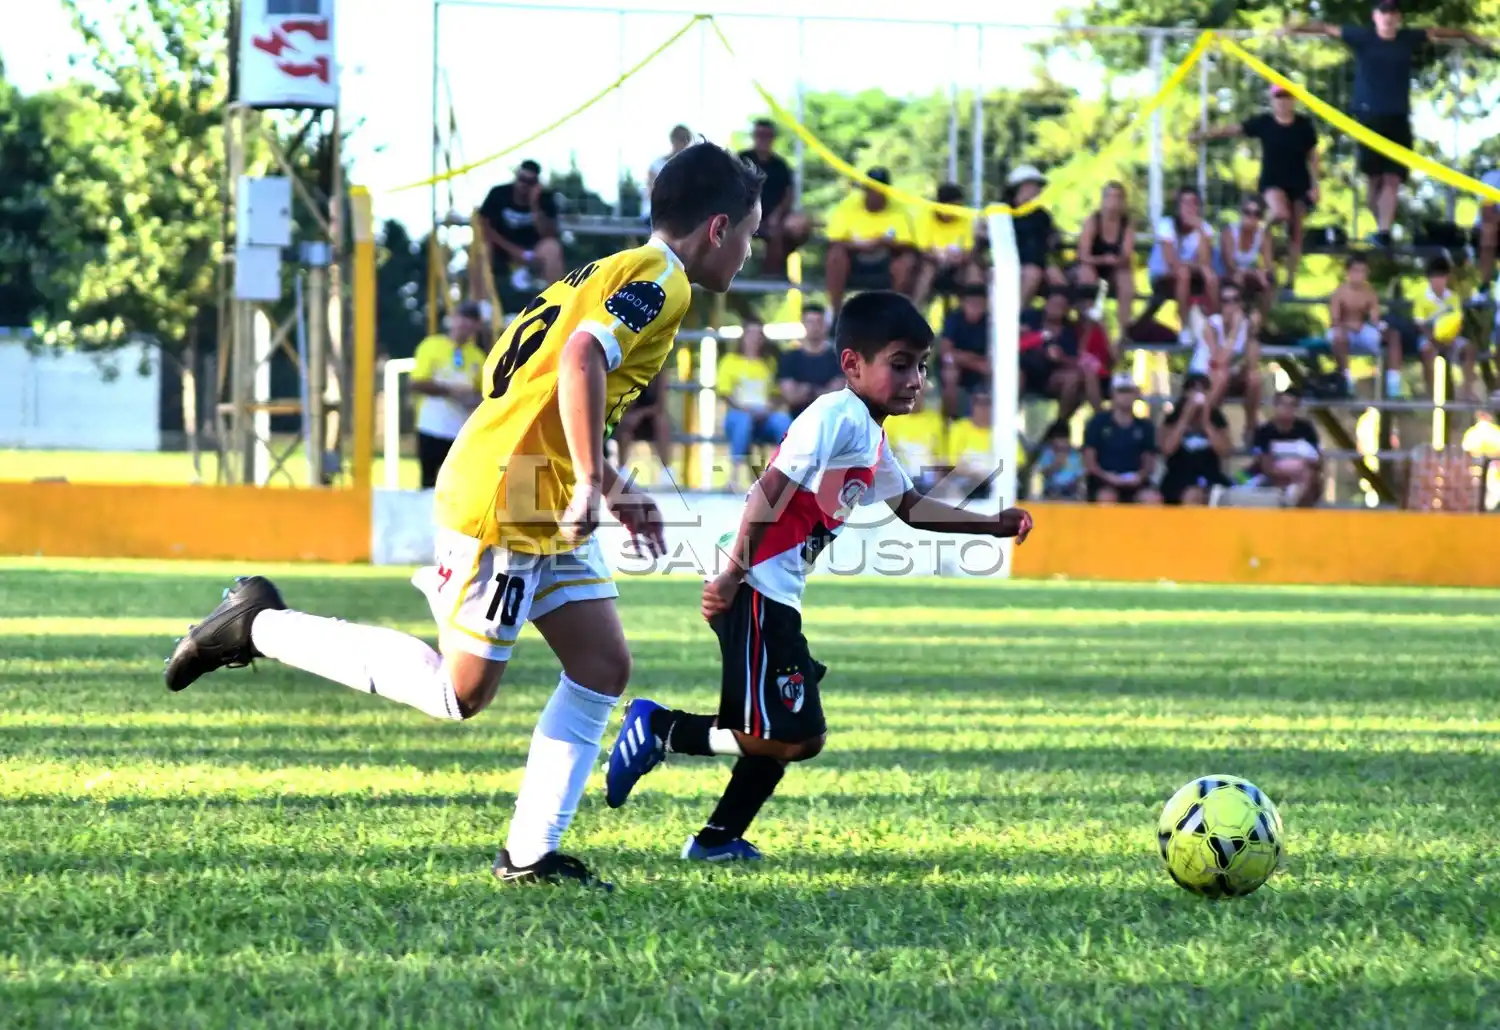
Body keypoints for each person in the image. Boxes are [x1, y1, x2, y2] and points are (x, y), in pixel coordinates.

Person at [162, 141, 766, 890]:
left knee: (602, 665)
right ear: (717, 228)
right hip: (506, 501)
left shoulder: (598, 272)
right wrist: (591, 480)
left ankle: (530, 855)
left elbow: (522, 378)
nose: (749, 252)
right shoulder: (662, 280)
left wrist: (605, 481)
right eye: (748, 234)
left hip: (535, 489)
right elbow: (581, 359)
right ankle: (256, 624)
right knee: (461, 693)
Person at [599, 290, 1034, 861]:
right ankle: (660, 730)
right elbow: (768, 490)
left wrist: (992, 524)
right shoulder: (834, 416)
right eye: (901, 364)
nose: (915, 380)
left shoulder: (869, 433)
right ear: (853, 364)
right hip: (754, 584)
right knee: (790, 733)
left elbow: (909, 507)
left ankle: (717, 839)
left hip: (772, 590)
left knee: (796, 731)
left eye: (922, 367)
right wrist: (732, 575)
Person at [1284, 3, 1489, 248]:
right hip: (1368, 119)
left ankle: (1384, 232)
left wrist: (1467, 34)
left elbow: (1436, 31)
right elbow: (1327, 28)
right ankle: (1381, 225)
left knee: (1392, 178)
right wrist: (1292, 28)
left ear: (1398, 17)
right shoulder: (1362, 36)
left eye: (1392, 13)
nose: (1388, 17)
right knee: (1374, 180)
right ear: (1375, 17)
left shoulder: (1407, 38)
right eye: (1383, 12)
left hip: (1398, 118)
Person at [1194, 84, 1319, 290]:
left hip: (1299, 183)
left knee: (1296, 231)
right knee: (1280, 212)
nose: (1283, 101)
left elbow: (1313, 155)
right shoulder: (1264, 122)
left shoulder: (1304, 125)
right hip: (1272, 181)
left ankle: (1290, 279)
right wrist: (1205, 134)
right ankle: (1261, 234)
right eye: (1279, 96)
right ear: (1272, 100)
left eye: (1287, 96)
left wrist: (1315, 185)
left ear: (1294, 100)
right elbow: (1235, 129)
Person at [409, 301, 490, 489]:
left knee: (457, 486)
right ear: (453, 319)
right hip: (430, 426)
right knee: (428, 483)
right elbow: (416, 383)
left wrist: (473, 399)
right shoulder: (432, 345)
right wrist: (450, 391)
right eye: (462, 318)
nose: (464, 325)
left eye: (471, 321)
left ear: (477, 326)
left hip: (460, 432)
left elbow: (483, 394)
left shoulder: (478, 357)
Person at [824, 168, 918, 314]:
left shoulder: (899, 209)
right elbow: (834, 240)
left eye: (879, 190)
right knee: (835, 255)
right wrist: (860, 245)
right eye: (872, 190)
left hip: (885, 259)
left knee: (907, 262)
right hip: (854, 259)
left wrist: (883, 242)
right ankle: (835, 312)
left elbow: (907, 245)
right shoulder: (848, 206)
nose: (875, 194)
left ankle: (895, 314)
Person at [1142, 187, 1219, 343]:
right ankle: (1185, 328)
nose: (1189, 208)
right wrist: (1193, 265)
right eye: (1185, 203)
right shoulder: (1166, 225)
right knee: (1183, 274)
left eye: (1193, 203)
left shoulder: (1204, 228)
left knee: (1211, 277)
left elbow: (1205, 262)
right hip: (1162, 275)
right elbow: (1171, 262)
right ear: (1178, 206)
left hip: (1192, 276)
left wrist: (1199, 229)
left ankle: (1216, 325)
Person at [719, 318, 792, 482]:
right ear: (743, 337)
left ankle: (786, 472)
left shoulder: (769, 364)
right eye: (750, 333)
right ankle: (734, 476)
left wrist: (769, 408)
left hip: (764, 415)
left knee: (783, 421)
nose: (754, 338)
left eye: (758, 334)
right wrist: (744, 409)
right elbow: (725, 393)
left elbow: (777, 394)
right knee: (743, 422)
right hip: (739, 413)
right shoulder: (730, 361)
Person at [478, 159, 564, 294]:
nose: (524, 185)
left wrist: (534, 205)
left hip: (533, 250)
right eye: (522, 179)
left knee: (552, 248)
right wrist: (514, 250)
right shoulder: (498, 194)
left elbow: (549, 234)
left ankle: (557, 297)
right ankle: (481, 300)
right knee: (482, 249)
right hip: (502, 247)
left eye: (530, 182)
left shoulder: (545, 199)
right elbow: (484, 226)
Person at [738, 119, 810, 279]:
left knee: (799, 226)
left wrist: (777, 215)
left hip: (775, 217)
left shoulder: (780, 165)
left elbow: (788, 194)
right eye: (759, 135)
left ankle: (772, 272)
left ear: (773, 138)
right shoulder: (741, 160)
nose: (763, 139)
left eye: (767, 135)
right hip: (743, 214)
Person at [1190, 283, 1263, 435]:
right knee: (1221, 374)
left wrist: (1253, 332)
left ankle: (1251, 428)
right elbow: (1219, 360)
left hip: (1228, 376)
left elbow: (1253, 363)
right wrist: (1234, 331)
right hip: (1205, 375)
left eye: (1235, 300)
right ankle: (1203, 424)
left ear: (1241, 303)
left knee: (1254, 378)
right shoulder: (1211, 325)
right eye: (1226, 301)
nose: (1231, 305)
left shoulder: (1245, 325)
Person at [1328, 253, 1403, 398]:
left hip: (1362, 329)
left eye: (1363, 271)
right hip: (1342, 331)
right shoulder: (1339, 293)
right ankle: (1346, 379)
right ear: (1348, 272)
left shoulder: (1370, 292)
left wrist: (1382, 328)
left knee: (1394, 336)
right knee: (1338, 336)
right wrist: (1348, 326)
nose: (1359, 275)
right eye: (1356, 271)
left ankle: (1393, 384)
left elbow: (1375, 318)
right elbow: (1335, 320)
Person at [1073, 182, 1137, 342]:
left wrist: (1117, 260)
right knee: (1086, 273)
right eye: (1110, 196)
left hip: (1114, 269)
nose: (1113, 201)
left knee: (1126, 277)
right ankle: (1091, 328)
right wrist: (1102, 259)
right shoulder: (1093, 220)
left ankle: (1124, 331)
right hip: (1091, 265)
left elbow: (1126, 255)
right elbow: (1082, 254)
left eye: (1118, 197)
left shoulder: (1127, 224)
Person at [1083, 376, 1160, 504]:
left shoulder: (1145, 426)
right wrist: (1109, 477)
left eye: (1129, 391)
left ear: (1135, 394)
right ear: (1112, 394)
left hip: (1135, 482)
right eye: (1121, 391)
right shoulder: (1097, 423)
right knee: (1107, 498)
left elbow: (1149, 462)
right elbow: (1089, 462)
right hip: (1103, 481)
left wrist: (1139, 476)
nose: (1125, 396)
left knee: (1152, 499)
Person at [1159, 373, 1233, 506]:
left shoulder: (1217, 419)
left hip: (1210, 474)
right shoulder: (1173, 419)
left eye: (1203, 390)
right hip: (1179, 475)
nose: (1199, 394)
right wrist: (1185, 418)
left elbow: (1225, 451)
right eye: (1194, 390)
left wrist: (1206, 423)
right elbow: (1167, 449)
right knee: (1192, 495)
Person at [1413, 254, 1477, 401]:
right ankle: (1431, 393)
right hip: (1429, 338)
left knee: (1469, 349)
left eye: (1441, 277)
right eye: (1435, 277)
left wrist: (1450, 338)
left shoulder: (1453, 297)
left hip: (1451, 338)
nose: (1438, 281)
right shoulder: (1422, 298)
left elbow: (1458, 321)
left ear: (1447, 278)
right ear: (1429, 278)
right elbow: (1420, 325)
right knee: (1427, 352)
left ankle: (1467, 391)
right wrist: (1435, 340)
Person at [1251, 390, 1322, 507]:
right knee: (1242, 480)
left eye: (1292, 405)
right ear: (1275, 406)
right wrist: (1290, 472)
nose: (1287, 409)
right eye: (1283, 404)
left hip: (1303, 476)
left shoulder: (1306, 429)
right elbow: (1264, 464)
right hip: (1274, 475)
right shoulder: (1263, 431)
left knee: (1312, 478)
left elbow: (1318, 460)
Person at [913, 183, 978, 309]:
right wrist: (940, 257)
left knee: (973, 271)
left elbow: (968, 249)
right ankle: (915, 310)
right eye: (952, 208)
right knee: (927, 272)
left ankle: (969, 312)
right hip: (932, 261)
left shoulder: (965, 217)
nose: (956, 212)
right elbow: (923, 249)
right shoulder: (925, 215)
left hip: (958, 264)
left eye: (959, 207)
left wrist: (960, 258)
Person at [1008, 165, 1065, 306]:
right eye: (1035, 186)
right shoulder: (1004, 212)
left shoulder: (1042, 215)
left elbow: (1051, 238)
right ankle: (1017, 313)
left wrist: (1056, 239)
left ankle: (1053, 318)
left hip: (1041, 262)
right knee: (1032, 274)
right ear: (1023, 186)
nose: (1038, 191)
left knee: (1061, 284)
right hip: (1012, 263)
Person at [777, 304, 844, 418]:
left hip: (831, 418)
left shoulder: (838, 358)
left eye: (819, 322)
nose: (814, 327)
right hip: (796, 418)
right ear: (803, 323)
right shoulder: (789, 357)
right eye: (810, 322)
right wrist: (822, 391)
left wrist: (807, 390)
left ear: (825, 324)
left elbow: (837, 394)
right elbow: (791, 396)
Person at [611, 368, 673, 487]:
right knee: (626, 424)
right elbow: (625, 402)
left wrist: (640, 414)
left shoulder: (660, 374)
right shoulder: (632, 369)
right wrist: (632, 414)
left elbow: (660, 405)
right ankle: (622, 470)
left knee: (662, 423)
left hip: (651, 417)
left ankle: (667, 471)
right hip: (632, 415)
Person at [937, 282, 991, 417]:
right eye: (971, 304)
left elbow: (992, 358)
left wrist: (962, 356)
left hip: (981, 370)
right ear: (963, 303)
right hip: (959, 367)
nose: (975, 308)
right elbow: (946, 354)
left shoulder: (990, 323)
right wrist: (973, 361)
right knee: (950, 374)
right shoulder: (954, 319)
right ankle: (950, 418)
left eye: (979, 304)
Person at [884, 387, 947, 492]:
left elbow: (940, 457)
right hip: (900, 478)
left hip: (928, 480)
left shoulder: (935, 420)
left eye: (919, 393)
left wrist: (938, 475)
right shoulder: (892, 420)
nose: (915, 397)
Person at [1220, 197, 1275, 317]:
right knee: (1239, 278)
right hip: (1228, 275)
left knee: (1268, 283)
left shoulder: (1263, 234)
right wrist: (1250, 272)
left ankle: (1260, 321)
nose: (1251, 217)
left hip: (1249, 275)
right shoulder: (1230, 232)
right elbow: (1229, 264)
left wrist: (1262, 273)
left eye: (1256, 214)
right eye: (1247, 212)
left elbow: (1268, 264)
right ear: (1242, 213)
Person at [643, 124, 692, 224]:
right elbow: (651, 193)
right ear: (672, 140)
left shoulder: (691, 167)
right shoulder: (656, 165)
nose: (682, 144)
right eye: (679, 139)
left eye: (685, 140)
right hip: (657, 214)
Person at [1035, 424, 1086, 501]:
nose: (1061, 444)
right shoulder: (1047, 454)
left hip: (1070, 490)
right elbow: (1044, 474)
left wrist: (1080, 492)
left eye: (1064, 440)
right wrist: (1056, 465)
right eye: (1058, 441)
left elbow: (1080, 477)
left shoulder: (1075, 456)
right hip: (1051, 489)